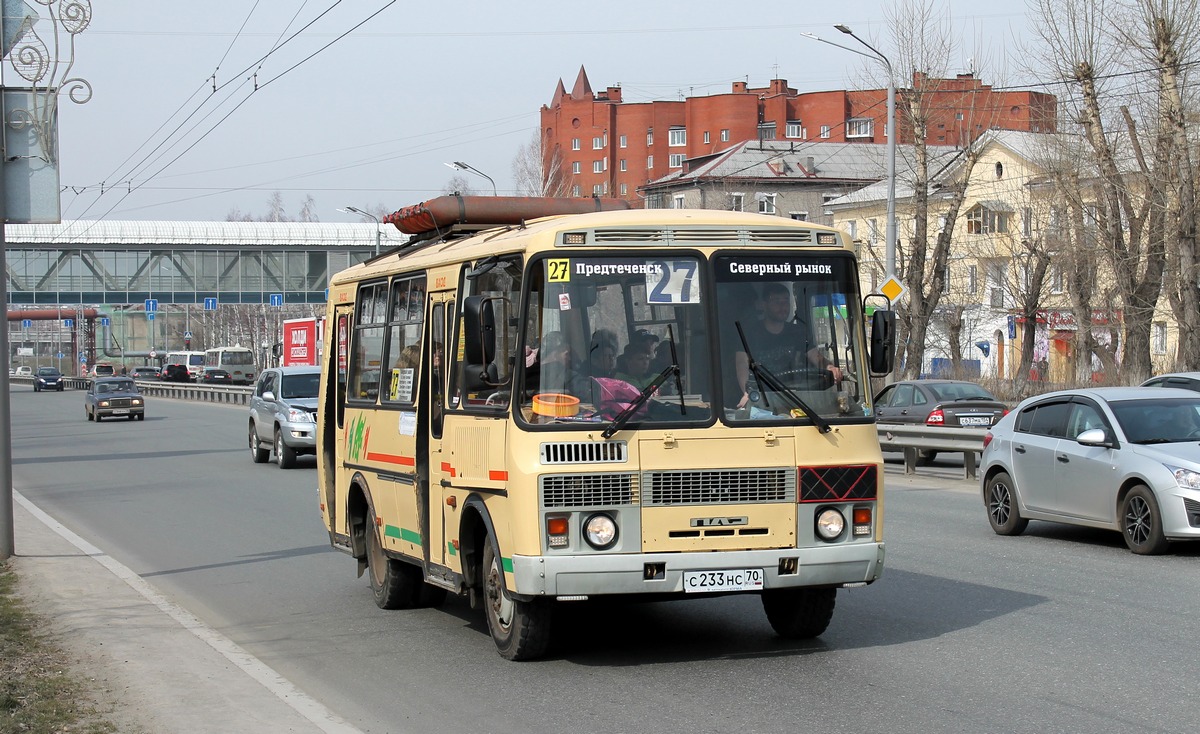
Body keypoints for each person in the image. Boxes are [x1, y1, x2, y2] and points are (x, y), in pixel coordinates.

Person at [734, 282, 841, 409]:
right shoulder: (749, 333)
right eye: (776, 301)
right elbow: (742, 363)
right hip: (761, 396)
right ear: (764, 305)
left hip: (792, 396)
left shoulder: (798, 332)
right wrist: (748, 393)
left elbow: (815, 356)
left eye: (786, 301)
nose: (782, 306)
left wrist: (829, 367)